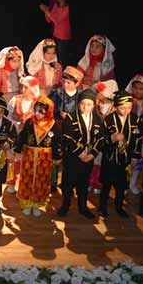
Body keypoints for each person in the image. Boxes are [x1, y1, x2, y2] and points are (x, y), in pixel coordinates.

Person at [58, 88, 104, 219]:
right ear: (78, 104)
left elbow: (100, 139)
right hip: (73, 156)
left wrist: (92, 154)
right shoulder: (71, 118)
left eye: (89, 104)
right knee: (68, 182)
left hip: (89, 156)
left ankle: (83, 207)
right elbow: (67, 138)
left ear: (93, 105)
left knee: (84, 183)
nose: (85, 107)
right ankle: (65, 205)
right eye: (83, 104)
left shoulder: (98, 119)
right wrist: (81, 153)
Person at [13, 96, 63, 216]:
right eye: (36, 110)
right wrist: (18, 149)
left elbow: (57, 142)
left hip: (45, 158)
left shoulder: (53, 125)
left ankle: (36, 203)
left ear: (48, 111)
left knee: (42, 180)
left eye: (41, 111)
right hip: (29, 156)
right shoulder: (30, 122)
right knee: (27, 179)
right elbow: (23, 136)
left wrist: (57, 157)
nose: (37, 114)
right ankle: (27, 203)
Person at [99, 90, 141, 218]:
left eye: (129, 107)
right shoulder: (108, 119)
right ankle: (102, 207)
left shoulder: (135, 119)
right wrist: (112, 138)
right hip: (110, 159)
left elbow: (138, 139)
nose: (126, 110)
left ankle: (119, 206)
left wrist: (135, 156)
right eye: (122, 108)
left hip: (125, 159)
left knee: (121, 186)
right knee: (106, 185)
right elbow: (101, 139)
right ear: (116, 106)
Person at [6, 75, 41, 193]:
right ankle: (11, 182)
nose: (23, 90)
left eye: (26, 87)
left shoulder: (37, 103)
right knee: (12, 160)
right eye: (23, 87)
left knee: (25, 161)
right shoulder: (15, 100)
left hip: (28, 138)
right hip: (14, 135)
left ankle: (24, 183)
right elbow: (8, 117)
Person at [39, 0, 71, 65]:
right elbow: (49, 20)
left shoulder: (67, 8)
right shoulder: (56, 6)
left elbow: (57, 21)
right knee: (55, 56)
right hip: (56, 35)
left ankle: (63, 72)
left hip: (63, 37)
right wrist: (46, 11)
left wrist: (47, 11)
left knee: (62, 59)